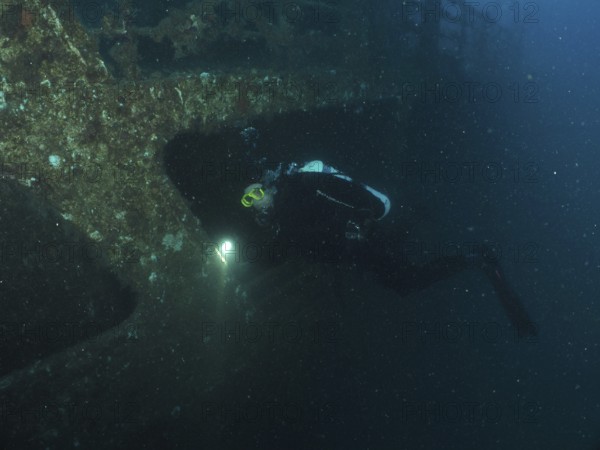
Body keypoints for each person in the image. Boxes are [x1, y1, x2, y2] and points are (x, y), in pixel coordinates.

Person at [241, 160, 537, 337]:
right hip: (362, 243)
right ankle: (417, 216)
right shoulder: (288, 211)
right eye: (248, 201)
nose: (256, 202)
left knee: (406, 282)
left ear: (269, 188)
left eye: (256, 193)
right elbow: (286, 248)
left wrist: (236, 258)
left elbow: (278, 253)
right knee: (395, 248)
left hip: (363, 246)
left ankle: (474, 258)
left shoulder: (291, 206)